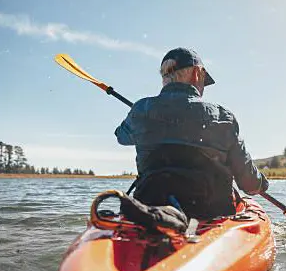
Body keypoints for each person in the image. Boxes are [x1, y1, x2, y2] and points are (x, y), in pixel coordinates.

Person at [115, 47, 268, 218]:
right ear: (197, 73)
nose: (203, 86)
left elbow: (121, 136)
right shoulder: (224, 116)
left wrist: (142, 116)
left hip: (152, 206)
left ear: (165, 78)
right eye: (203, 80)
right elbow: (250, 184)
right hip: (210, 213)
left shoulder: (141, 110)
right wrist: (262, 184)